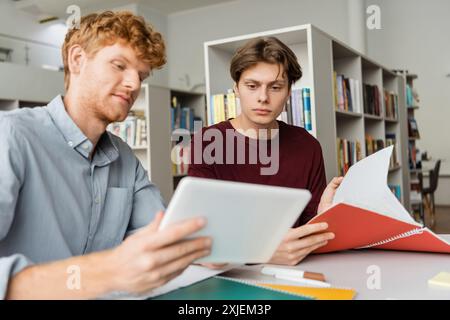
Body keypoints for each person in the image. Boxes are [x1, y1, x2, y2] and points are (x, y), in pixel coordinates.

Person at [0, 11, 211, 299]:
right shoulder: (10, 136)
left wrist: (220, 246)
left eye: (141, 75)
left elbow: (161, 236)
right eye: (119, 65)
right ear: (77, 60)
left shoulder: (124, 159)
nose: (134, 84)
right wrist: (105, 272)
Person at [189, 37, 342, 266]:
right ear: (236, 89)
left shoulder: (307, 146)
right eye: (252, 86)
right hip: (232, 276)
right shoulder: (208, 142)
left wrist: (324, 217)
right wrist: (264, 251)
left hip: (295, 274)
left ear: (289, 92)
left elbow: (310, 233)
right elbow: (198, 241)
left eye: (276, 87)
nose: (263, 97)